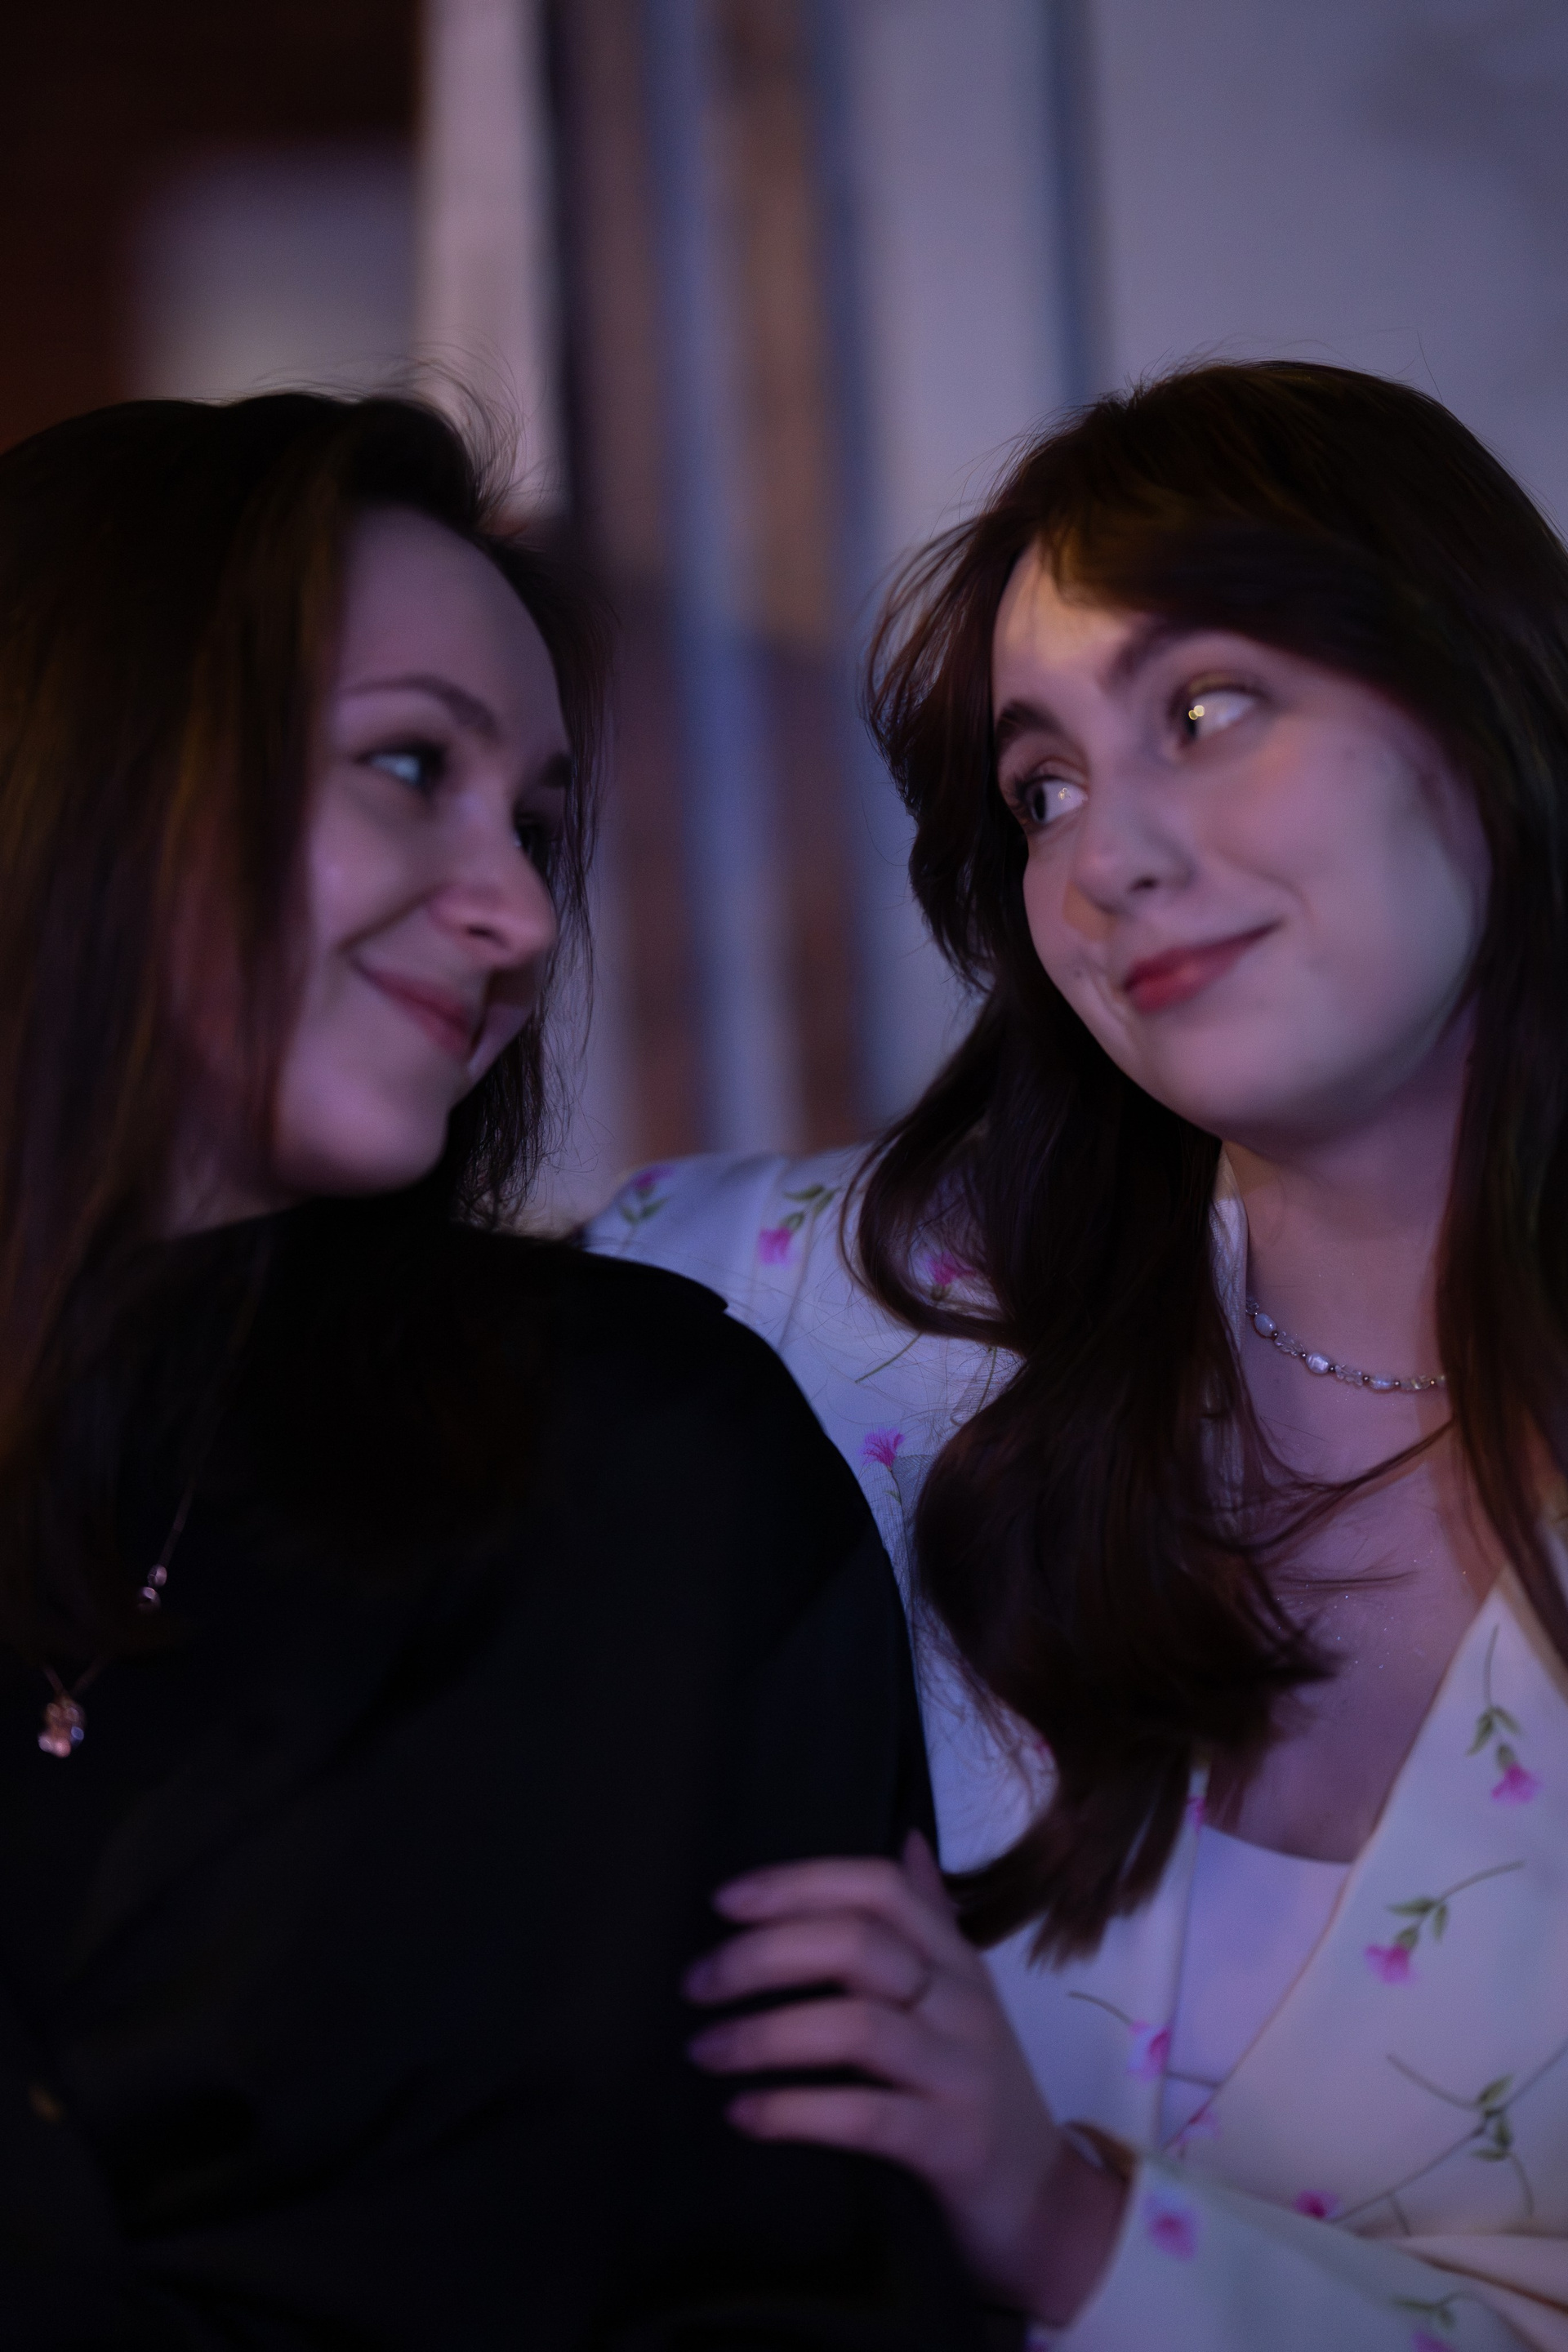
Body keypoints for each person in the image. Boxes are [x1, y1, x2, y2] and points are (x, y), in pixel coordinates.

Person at [588, 360, 1568, 2349]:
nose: (1107, 857)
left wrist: (1067, 2228)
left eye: (1205, 711)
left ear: (1482, 698)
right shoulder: (815, 1318)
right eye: (1043, 789)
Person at [0, 391, 989, 2350]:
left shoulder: (640, 1471)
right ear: (80, 762)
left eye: (538, 825)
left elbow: (791, 2284)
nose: (523, 917)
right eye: (407, 766)